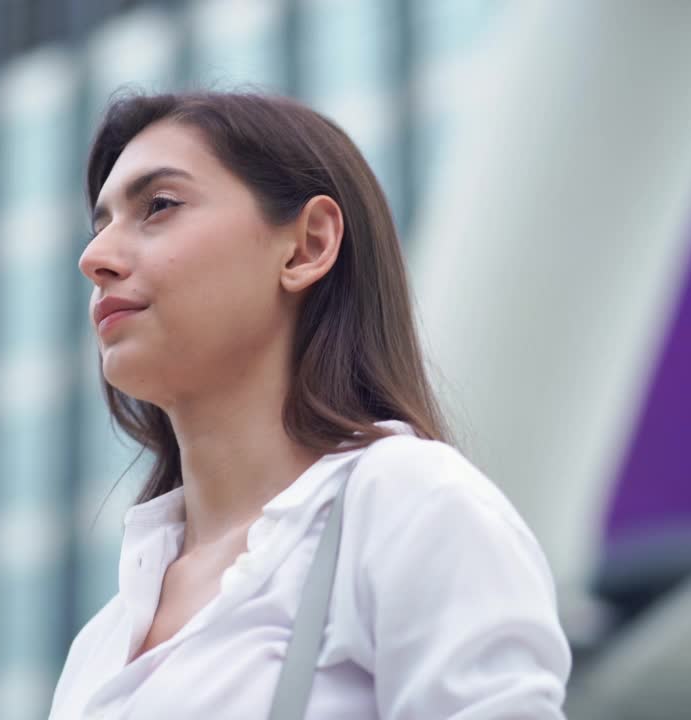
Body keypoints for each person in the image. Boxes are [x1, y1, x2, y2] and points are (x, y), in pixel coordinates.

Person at [49, 91, 571, 719]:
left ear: (307, 246)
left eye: (158, 206)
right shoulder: (98, 645)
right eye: (100, 226)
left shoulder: (406, 504)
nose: (93, 259)